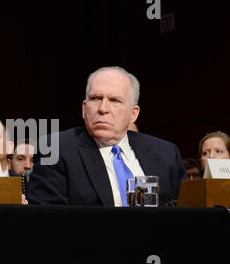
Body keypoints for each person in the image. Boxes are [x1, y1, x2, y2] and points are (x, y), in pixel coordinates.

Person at [27, 66, 186, 206]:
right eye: (95, 98)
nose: (103, 109)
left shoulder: (166, 153)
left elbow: (185, 214)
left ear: (133, 114)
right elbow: (47, 222)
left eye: (115, 100)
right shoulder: (56, 148)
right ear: (84, 108)